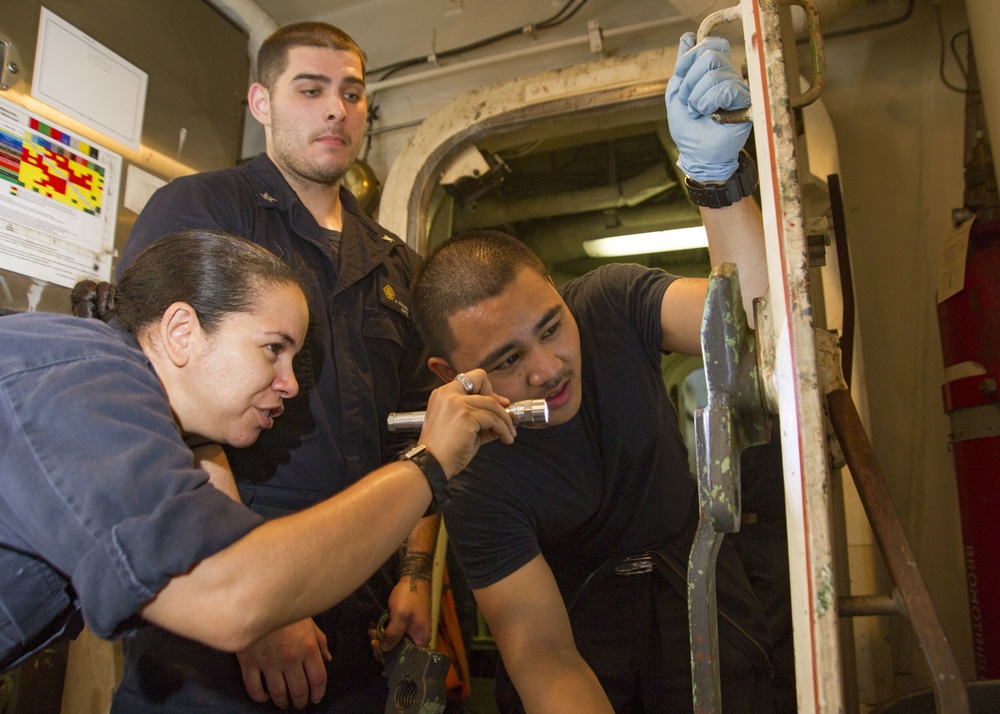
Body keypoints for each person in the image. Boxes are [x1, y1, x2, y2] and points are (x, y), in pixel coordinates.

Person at [409, 33, 774, 713]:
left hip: (697, 587)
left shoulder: (609, 301)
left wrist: (718, 184)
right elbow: (542, 653)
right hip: (580, 622)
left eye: (551, 325)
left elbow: (752, 324)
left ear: (558, 289)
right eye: (508, 360)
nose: (549, 368)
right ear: (450, 372)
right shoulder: (474, 474)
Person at [0, 230, 515, 677]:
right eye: (273, 349)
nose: (290, 385)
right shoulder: (84, 381)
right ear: (181, 331)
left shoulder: (126, 409)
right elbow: (228, 593)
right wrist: (428, 464)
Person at [111, 22, 440, 713]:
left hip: (360, 628)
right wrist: (260, 601)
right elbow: (151, 404)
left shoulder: (392, 261)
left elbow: (418, 431)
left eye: (352, 94)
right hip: (214, 641)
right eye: (311, 89)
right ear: (261, 102)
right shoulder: (203, 211)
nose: (335, 110)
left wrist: (415, 573)